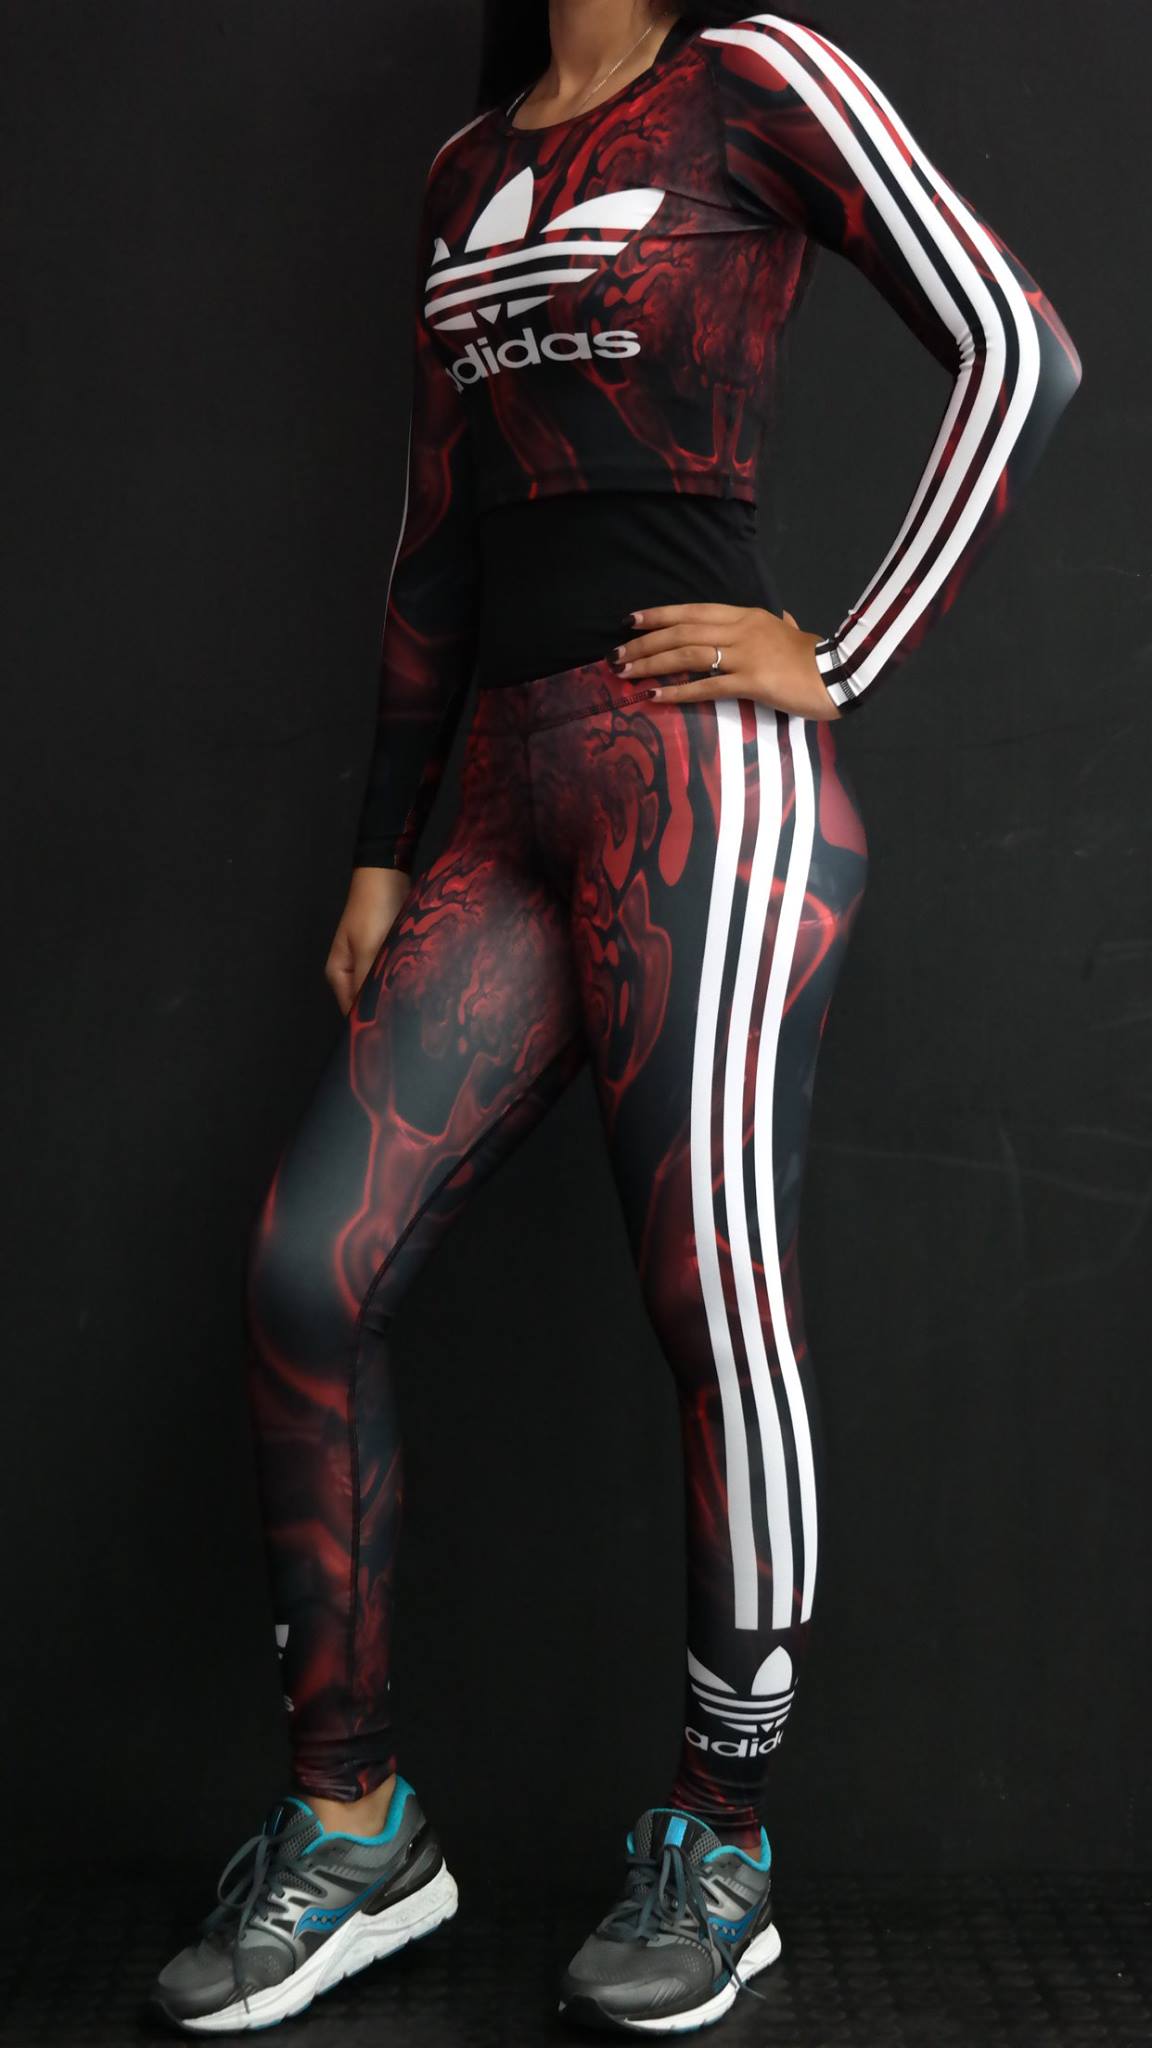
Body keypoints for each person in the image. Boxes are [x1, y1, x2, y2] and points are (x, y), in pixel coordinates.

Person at [151, 2, 1081, 2035]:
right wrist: (382, 845)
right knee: (309, 1272)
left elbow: (1022, 348)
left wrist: (842, 650)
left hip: (704, 783)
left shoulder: (755, 79)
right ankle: (355, 1825)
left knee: (712, 1291)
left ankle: (723, 1842)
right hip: (501, 793)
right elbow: (435, 532)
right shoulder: (465, 168)